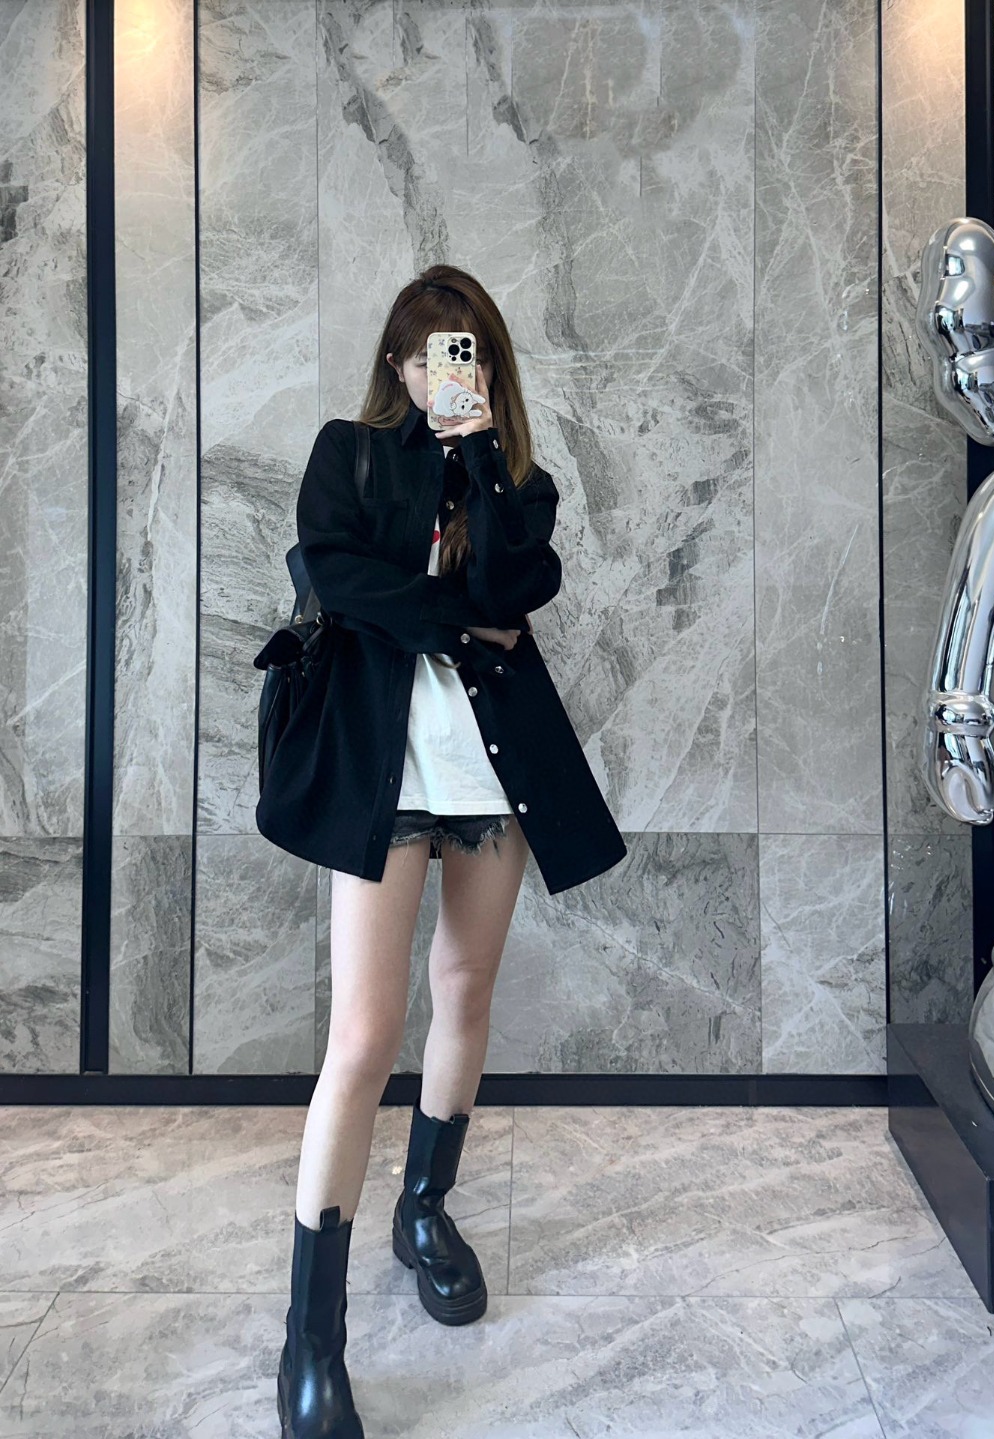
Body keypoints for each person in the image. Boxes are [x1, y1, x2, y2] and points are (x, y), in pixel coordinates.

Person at [261, 264, 627, 1437]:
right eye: (429, 355)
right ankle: (312, 1337)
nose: (443, 372)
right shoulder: (350, 454)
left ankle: (424, 1206)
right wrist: (458, 622)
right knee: (365, 1033)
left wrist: (478, 461)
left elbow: (523, 582)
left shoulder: (515, 481)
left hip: (490, 778)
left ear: (488, 367)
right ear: (398, 363)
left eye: (465, 353)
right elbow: (331, 570)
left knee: (464, 991)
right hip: (385, 776)